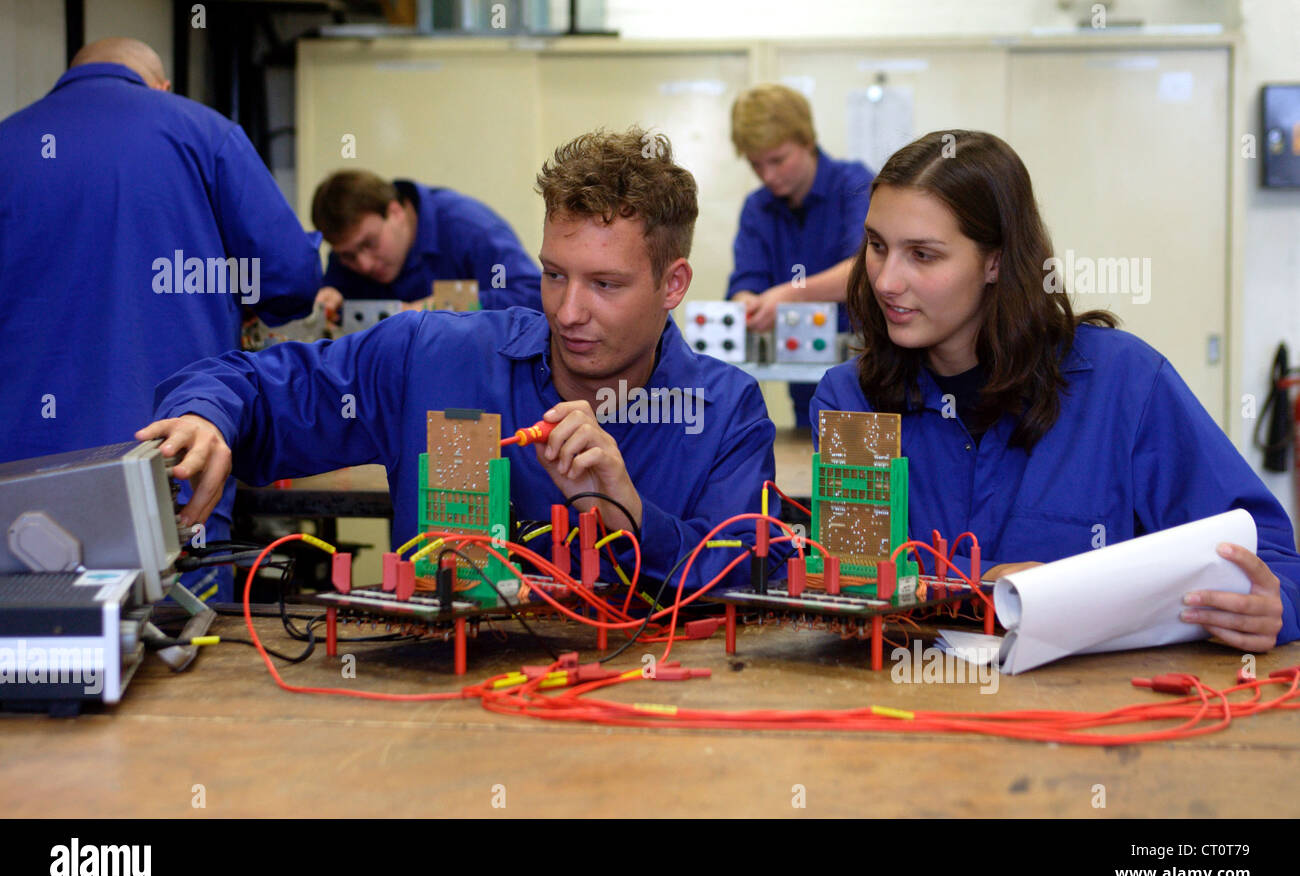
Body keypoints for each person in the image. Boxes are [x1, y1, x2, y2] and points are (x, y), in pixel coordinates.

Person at [137, 128, 776, 588]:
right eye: (554, 275)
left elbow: (747, 573)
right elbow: (258, 388)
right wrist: (208, 416)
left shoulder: (725, 414)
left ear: (673, 284)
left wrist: (628, 518)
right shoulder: (432, 360)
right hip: (433, 727)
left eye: (605, 285)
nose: (569, 311)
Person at [811, 129, 1299, 652]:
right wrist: (977, 592)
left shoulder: (1124, 383)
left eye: (923, 255)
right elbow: (853, 590)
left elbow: (1266, 555)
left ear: (996, 261)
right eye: (877, 247)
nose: (885, 280)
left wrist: (1275, 605)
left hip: (1088, 718)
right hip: (904, 713)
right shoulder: (852, 400)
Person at [0, 37, 323, 601]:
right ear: (162, 86)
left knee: (39, 661)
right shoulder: (203, 133)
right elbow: (291, 279)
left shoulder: (9, 142)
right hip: (165, 464)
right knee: (177, 653)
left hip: (17, 487)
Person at [726, 83, 874, 428]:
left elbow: (865, 269)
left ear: (807, 140)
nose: (768, 175)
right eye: (756, 164)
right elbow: (747, 279)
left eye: (778, 160)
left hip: (866, 379)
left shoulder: (856, 185)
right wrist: (748, 304)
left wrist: (791, 295)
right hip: (806, 388)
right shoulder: (757, 208)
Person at [311, 170, 543, 319]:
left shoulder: (470, 229)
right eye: (348, 256)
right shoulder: (348, 251)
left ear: (395, 212)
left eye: (370, 244)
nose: (365, 264)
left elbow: (529, 294)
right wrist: (329, 303)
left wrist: (436, 305)